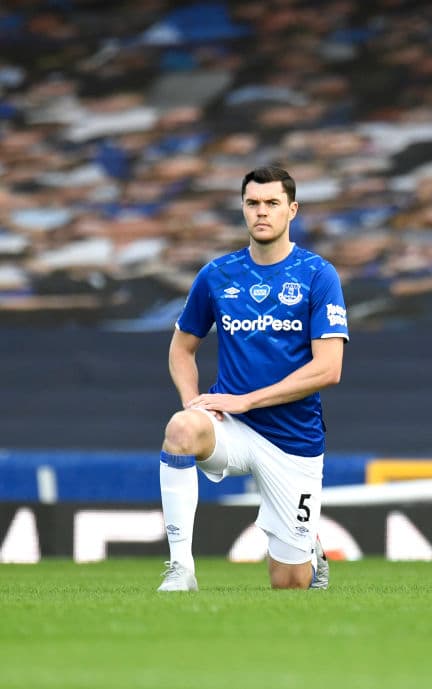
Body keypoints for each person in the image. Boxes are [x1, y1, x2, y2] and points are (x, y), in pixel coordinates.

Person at [157, 165, 349, 591]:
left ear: (292, 210)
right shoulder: (217, 275)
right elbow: (181, 348)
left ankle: (308, 551)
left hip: (292, 440)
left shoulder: (318, 275)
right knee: (182, 428)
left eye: (272, 203)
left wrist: (248, 400)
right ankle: (180, 569)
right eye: (253, 203)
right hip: (232, 427)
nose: (261, 212)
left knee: (290, 583)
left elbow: (328, 369)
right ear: (243, 209)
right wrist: (193, 401)